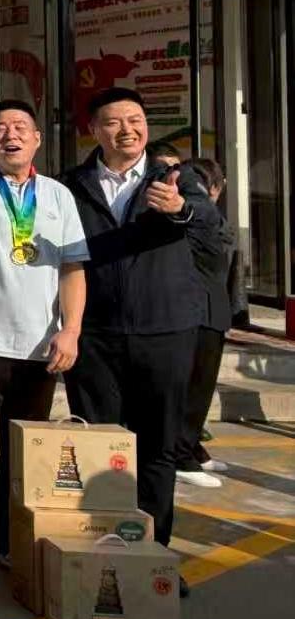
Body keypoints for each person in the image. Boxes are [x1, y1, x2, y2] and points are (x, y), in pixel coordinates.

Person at [60, 87, 220, 570]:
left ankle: (153, 559)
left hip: (164, 330)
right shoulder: (71, 185)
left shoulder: (175, 177)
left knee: (156, 447)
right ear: (94, 129)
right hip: (95, 334)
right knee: (97, 445)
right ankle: (100, 553)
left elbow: (209, 222)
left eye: (135, 120)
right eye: (113, 121)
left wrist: (179, 209)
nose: (126, 130)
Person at [0, 100, 89, 563]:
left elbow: (73, 268)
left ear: (37, 139)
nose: (11, 135)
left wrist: (71, 330)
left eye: (21, 127)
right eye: (0, 128)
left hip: (40, 345)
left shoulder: (58, 196)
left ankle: (9, 543)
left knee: (22, 453)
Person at [175, 157, 233, 490]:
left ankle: (192, 446)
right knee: (193, 389)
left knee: (202, 388)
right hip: (196, 312)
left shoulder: (206, 213)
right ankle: (181, 455)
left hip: (214, 310)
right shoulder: (193, 199)